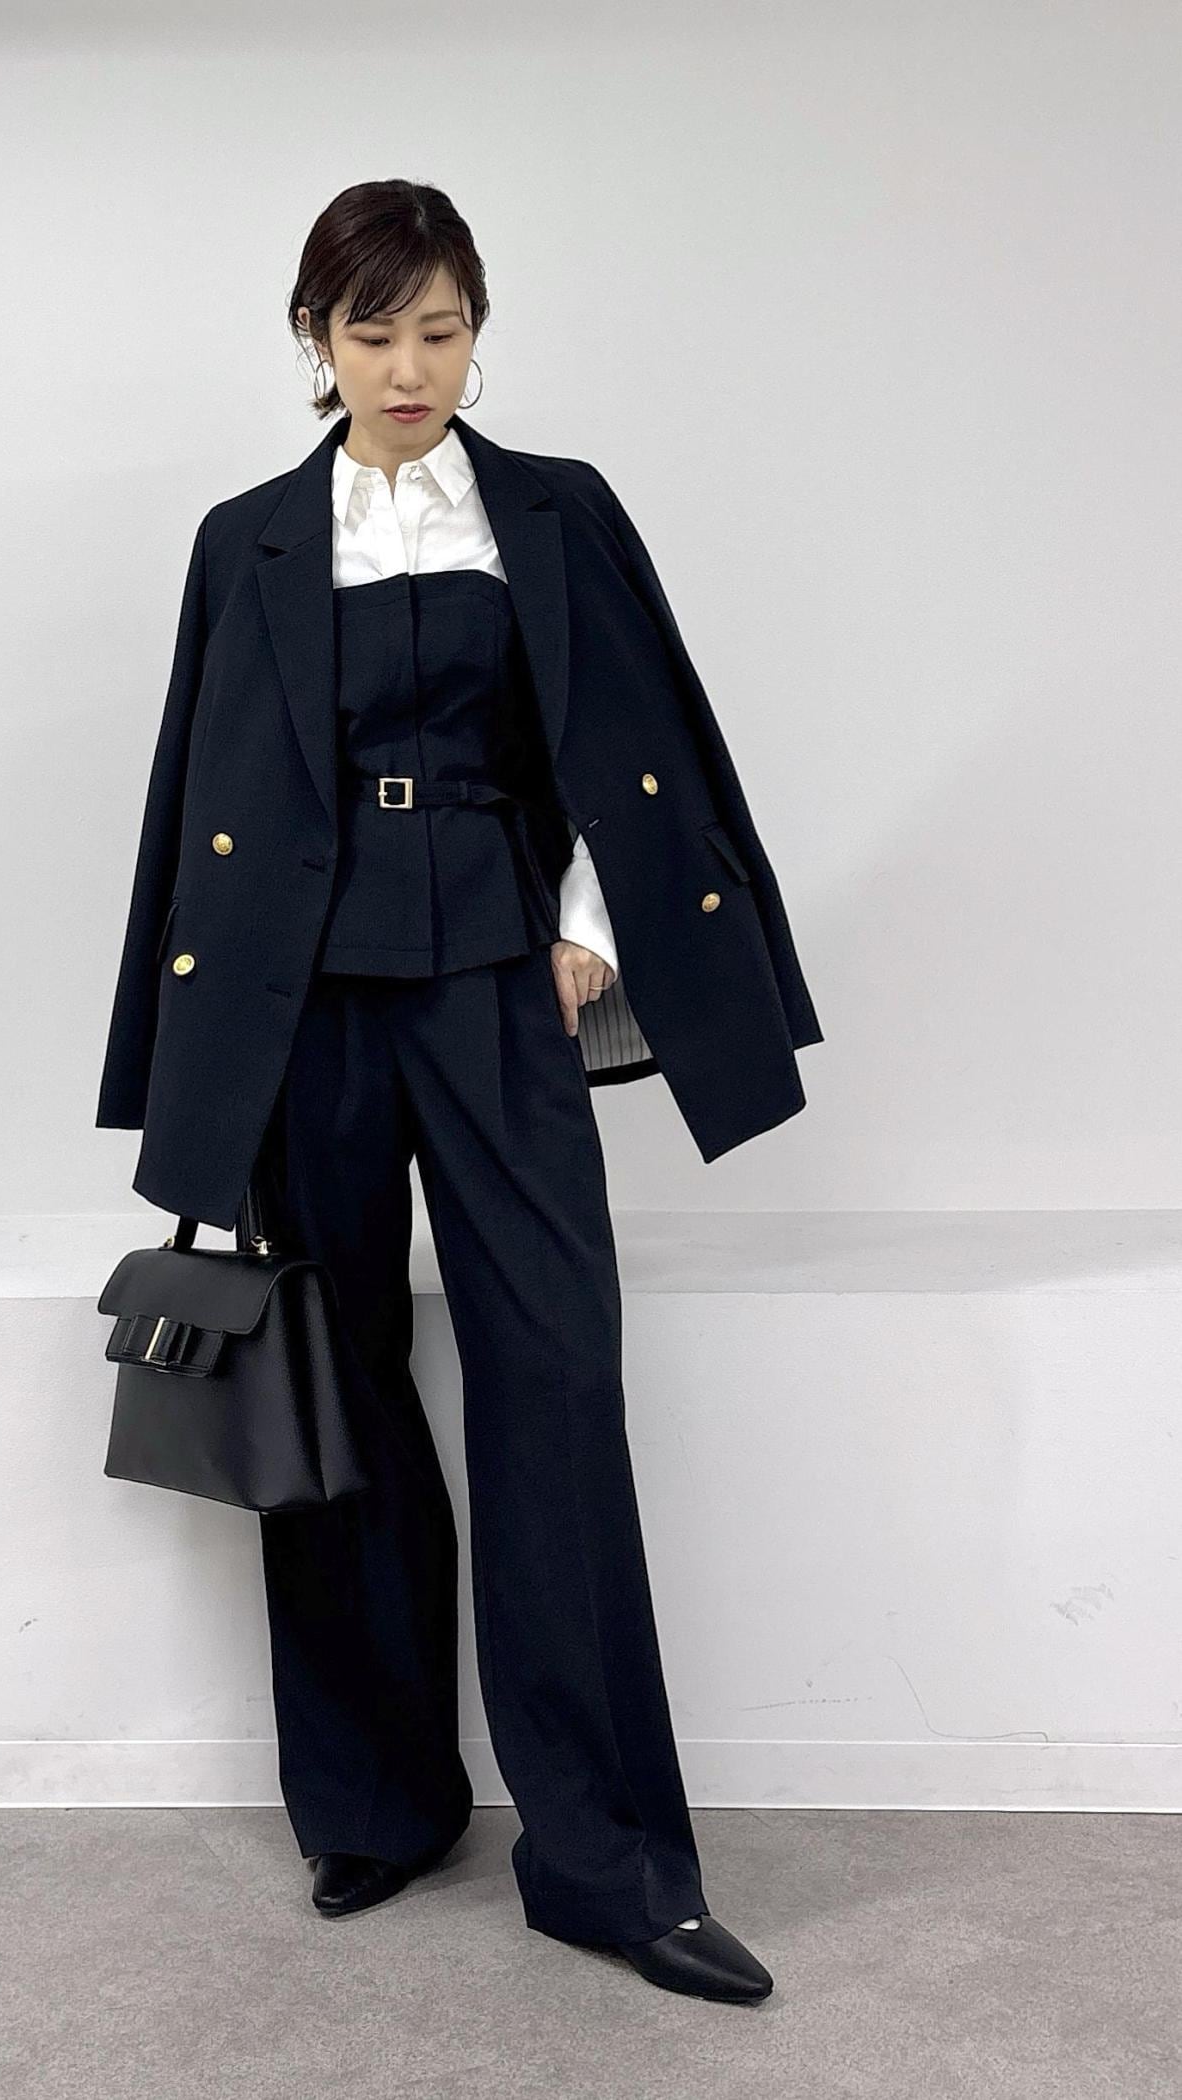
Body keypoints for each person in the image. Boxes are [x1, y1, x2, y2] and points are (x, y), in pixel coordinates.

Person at [97, 180, 824, 2006]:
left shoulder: (557, 510)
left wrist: (588, 922)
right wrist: (189, 1055)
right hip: (306, 1003)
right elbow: (200, 788)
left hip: (502, 982)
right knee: (337, 1390)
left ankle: (608, 1863)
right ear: (315, 338)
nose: (410, 366)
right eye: (374, 332)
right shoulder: (251, 540)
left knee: (557, 1387)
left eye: (440, 329)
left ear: (478, 331)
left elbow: (641, 738)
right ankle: (380, 1805)